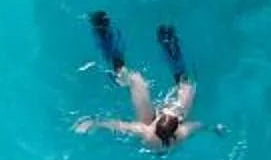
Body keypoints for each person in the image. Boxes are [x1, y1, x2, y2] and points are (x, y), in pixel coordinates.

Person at [76, 13, 213, 151]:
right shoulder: (181, 134)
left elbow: (119, 125)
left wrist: (94, 123)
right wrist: (214, 128)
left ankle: (103, 34)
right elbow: (198, 126)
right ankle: (170, 46)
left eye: (163, 115)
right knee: (187, 85)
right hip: (166, 132)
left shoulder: (146, 132)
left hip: (148, 123)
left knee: (135, 79)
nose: (164, 110)